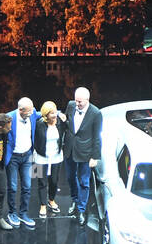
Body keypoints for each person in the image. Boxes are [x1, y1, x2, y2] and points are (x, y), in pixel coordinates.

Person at [62, 86, 102, 225]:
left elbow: (97, 137)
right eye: (76, 100)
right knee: (70, 177)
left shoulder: (96, 113)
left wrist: (95, 157)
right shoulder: (71, 105)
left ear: (87, 100)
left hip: (85, 152)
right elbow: (67, 123)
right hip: (70, 149)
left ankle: (81, 209)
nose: (77, 104)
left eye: (80, 102)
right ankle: (75, 200)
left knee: (84, 182)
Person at [3, 97, 39, 228]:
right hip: (13, 157)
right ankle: (12, 213)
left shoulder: (33, 113)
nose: (31, 113)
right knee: (12, 187)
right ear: (20, 110)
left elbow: (42, 113)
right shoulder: (9, 117)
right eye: (28, 111)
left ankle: (23, 213)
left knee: (27, 186)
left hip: (27, 156)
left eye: (32, 110)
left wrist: (58, 113)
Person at [31, 101, 64, 219]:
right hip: (41, 157)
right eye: (51, 113)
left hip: (56, 156)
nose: (54, 115)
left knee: (54, 181)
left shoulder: (60, 122)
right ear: (45, 115)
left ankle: (51, 200)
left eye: (55, 112)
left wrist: (60, 114)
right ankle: (43, 205)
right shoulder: (39, 124)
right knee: (42, 182)